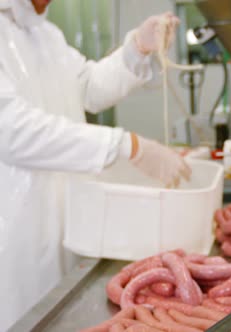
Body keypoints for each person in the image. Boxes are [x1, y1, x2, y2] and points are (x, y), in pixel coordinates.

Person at [0, 0, 190, 329]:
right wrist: (126, 146)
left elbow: (86, 87)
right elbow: (10, 129)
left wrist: (137, 49)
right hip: (16, 235)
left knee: (62, 313)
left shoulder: (46, 33)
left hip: (65, 218)